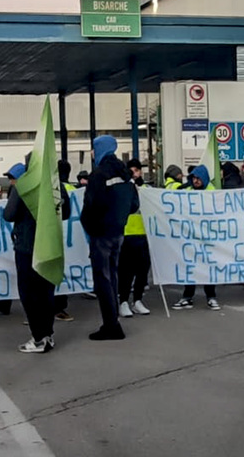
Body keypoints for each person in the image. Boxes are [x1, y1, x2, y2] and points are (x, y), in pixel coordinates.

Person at [3, 158, 70, 353]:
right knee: (46, 292)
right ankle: (47, 334)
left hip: (27, 246)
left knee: (29, 294)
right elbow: (66, 212)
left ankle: (39, 338)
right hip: (49, 245)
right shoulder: (54, 183)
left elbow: (9, 214)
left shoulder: (24, 184)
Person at [80, 135, 139, 341]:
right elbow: (134, 204)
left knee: (103, 279)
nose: (92, 153)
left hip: (101, 233)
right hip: (118, 232)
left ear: (100, 149)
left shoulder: (99, 174)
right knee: (113, 275)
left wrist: (90, 226)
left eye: (93, 149)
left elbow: (91, 205)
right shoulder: (125, 173)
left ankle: (111, 325)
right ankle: (114, 322)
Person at [171, 165, 222, 311]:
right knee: (190, 266)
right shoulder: (187, 191)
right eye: (193, 178)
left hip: (207, 237)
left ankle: (211, 297)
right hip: (191, 236)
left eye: (198, 178)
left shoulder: (212, 192)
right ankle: (187, 297)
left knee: (208, 267)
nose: (195, 180)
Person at [0, 163, 27, 317]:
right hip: (14, 236)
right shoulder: (14, 189)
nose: (10, 181)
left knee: (24, 276)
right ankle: (5, 302)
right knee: (11, 269)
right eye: (9, 178)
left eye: (13, 178)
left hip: (22, 239)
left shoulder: (21, 190)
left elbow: (10, 213)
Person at [118, 159, 152, 318]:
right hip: (126, 236)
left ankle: (137, 300)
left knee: (143, 270)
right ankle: (123, 301)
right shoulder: (123, 189)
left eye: (137, 170)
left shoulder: (146, 189)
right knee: (126, 272)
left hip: (143, 236)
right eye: (132, 171)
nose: (135, 174)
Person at [53, 160, 76, 322]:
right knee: (63, 272)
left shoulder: (52, 187)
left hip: (52, 238)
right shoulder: (73, 190)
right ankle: (60, 307)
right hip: (71, 241)